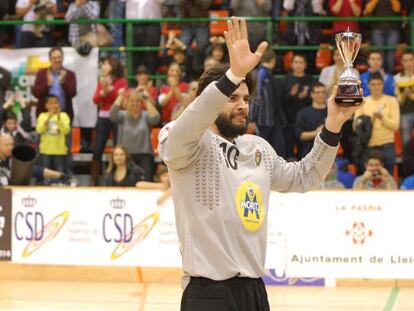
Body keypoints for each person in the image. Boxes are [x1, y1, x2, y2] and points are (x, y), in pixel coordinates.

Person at [158, 17, 360, 310]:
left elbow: (304, 176)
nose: (242, 104)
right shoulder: (185, 143)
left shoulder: (257, 149)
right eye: (231, 97)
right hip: (208, 292)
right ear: (209, 101)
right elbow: (189, 124)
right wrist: (231, 75)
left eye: (246, 98)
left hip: (254, 291)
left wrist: (332, 126)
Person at [90, 57, 127, 186]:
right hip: (103, 117)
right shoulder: (101, 81)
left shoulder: (121, 81)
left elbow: (121, 99)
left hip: (117, 117)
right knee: (98, 148)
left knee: (118, 147)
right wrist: (103, 92)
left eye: (106, 64)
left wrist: (109, 90)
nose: (104, 66)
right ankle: (94, 178)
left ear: (113, 66)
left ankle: (117, 177)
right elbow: (95, 100)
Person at [353, 72, 400, 174]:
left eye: (379, 84)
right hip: (369, 147)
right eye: (373, 84)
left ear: (383, 84)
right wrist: (369, 121)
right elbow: (355, 126)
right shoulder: (362, 102)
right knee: (369, 182)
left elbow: (395, 126)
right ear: (368, 85)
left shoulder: (392, 101)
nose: (376, 87)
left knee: (388, 178)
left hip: (387, 145)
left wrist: (382, 117)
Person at [110, 89, 160, 181]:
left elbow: (155, 119)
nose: (135, 103)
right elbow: (112, 115)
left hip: (145, 155)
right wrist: (120, 96)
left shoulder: (145, 115)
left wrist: (146, 100)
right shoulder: (122, 115)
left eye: (137, 101)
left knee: (146, 181)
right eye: (132, 101)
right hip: (126, 156)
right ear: (127, 102)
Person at [251, 49, 286, 157]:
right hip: (263, 121)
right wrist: (252, 119)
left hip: (269, 121)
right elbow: (256, 97)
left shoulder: (260, 74)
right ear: (274, 60)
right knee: (269, 153)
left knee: (267, 153)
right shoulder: (261, 74)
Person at [0, 133, 64, 186]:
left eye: (12, 144)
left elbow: (36, 170)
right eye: (7, 145)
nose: (10, 147)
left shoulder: (13, 160)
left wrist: (60, 175)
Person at [35, 95, 70, 185]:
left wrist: (58, 119)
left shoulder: (64, 116)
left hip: (60, 151)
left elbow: (66, 130)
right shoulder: (42, 116)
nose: (54, 105)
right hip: (45, 151)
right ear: (46, 106)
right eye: (51, 103)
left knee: (59, 177)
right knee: (45, 178)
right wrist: (49, 117)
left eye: (56, 103)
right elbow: (39, 130)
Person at [295, 82, 327, 159]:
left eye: (323, 92)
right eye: (317, 92)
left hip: (327, 154)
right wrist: (317, 133)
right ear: (312, 94)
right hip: (308, 154)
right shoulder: (303, 113)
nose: (320, 95)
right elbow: (300, 135)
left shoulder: (331, 112)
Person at [394, 51, 414, 145]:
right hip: (405, 113)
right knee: (406, 141)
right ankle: (408, 159)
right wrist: (403, 96)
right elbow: (397, 101)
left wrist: (411, 96)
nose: (408, 63)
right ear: (402, 62)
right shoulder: (397, 78)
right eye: (405, 61)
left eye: (410, 60)